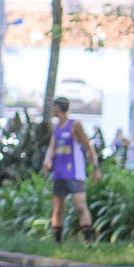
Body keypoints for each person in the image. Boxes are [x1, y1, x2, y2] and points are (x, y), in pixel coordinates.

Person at [43, 97, 101, 244]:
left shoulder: (75, 125)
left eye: (54, 107)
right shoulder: (57, 128)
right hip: (59, 173)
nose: (52, 110)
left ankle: (88, 240)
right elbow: (52, 147)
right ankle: (58, 242)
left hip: (75, 172)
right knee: (58, 208)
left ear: (58, 108)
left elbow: (88, 145)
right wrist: (48, 160)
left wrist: (95, 167)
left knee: (80, 205)